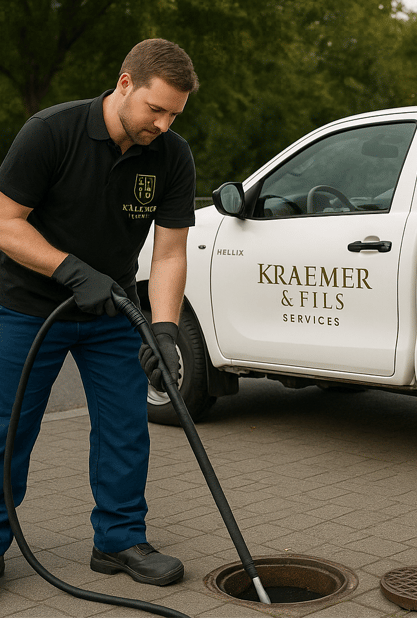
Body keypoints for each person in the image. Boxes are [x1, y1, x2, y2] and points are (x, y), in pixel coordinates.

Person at [0, 38, 199, 586]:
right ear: (125, 83)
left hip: (113, 311)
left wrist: (162, 328)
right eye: (155, 109)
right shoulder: (51, 132)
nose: (162, 124)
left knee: (125, 428)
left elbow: (170, 251)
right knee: (8, 429)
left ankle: (119, 541)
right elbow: (6, 221)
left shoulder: (171, 155)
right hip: (27, 306)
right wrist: (69, 268)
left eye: (174, 114)